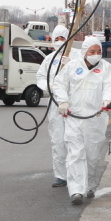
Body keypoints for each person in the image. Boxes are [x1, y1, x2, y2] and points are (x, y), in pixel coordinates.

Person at [53, 36, 111, 205]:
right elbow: (59, 84)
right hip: (74, 118)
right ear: (84, 52)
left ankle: (89, 185)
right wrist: (63, 101)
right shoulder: (73, 66)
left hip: (95, 119)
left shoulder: (106, 68)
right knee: (75, 154)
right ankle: (76, 191)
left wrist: (108, 100)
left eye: (99, 52)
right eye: (92, 51)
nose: (96, 54)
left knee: (92, 154)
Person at [36, 25, 71, 188]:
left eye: (62, 38)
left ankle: (75, 173)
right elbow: (40, 77)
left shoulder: (75, 56)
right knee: (57, 139)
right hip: (55, 104)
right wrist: (49, 86)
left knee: (74, 139)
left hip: (73, 105)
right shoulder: (48, 60)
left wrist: (71, 64)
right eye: (56, 39)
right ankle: (60, 175)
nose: (59, 42)